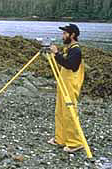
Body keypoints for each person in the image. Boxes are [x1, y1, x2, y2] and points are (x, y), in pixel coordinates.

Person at [48, 24, 85, 152]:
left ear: (72, 35)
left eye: (65, 34)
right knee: (60, 111)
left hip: (70, 85)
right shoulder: (68, 49)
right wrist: (57, 54)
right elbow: (64, 61)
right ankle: (61, 139)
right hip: (63, 84)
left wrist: (56, 53)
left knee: (69, 113)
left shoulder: (76, 50)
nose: (62, 36)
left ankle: (75, 142)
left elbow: (70, 65)